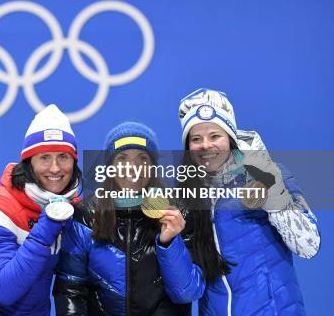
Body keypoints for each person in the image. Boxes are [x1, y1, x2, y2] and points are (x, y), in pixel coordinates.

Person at [157, 88, 321, 315]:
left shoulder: (270, 174)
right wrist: (168, 243)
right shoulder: (186, 196)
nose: (206, 145)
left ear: (231, 139)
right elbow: (188, 291)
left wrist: (272, 193)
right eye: (196, 139)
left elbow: (308, 245)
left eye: (215, 136)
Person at [54, 122, 225, 315]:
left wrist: (169, 243)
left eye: (142, 159)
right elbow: (70, 289)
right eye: (122, 158)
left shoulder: (179, 213)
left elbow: (187, 293)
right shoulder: (86, 216)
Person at [0, 104, 82, 315]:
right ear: (29, 163)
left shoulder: (70, 208)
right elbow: (5, 290)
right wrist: (48, 223)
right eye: (44, 157)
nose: (55, 168)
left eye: (63, 157)